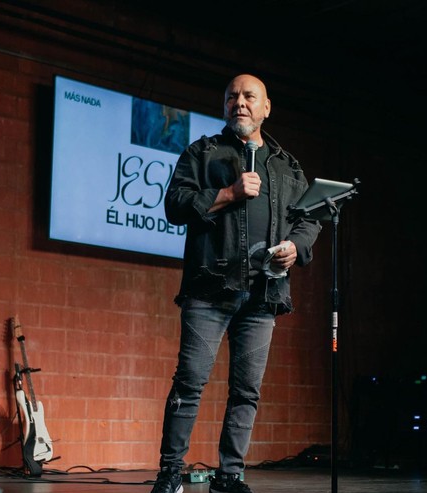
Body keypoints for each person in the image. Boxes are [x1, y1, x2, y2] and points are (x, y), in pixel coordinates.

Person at [151, 74, 322, 493]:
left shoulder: (286, 165)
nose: (239, 103)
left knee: (247, 391)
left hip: (264, 294)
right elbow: (174, 204)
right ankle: (170, 473)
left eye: (249, 97)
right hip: (209, 290)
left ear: (266, 108)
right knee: (189, 382)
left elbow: (309, 218)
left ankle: (229, 476)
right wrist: (227, 192)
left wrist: (295, 247)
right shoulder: (202, 153)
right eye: (232, 97)